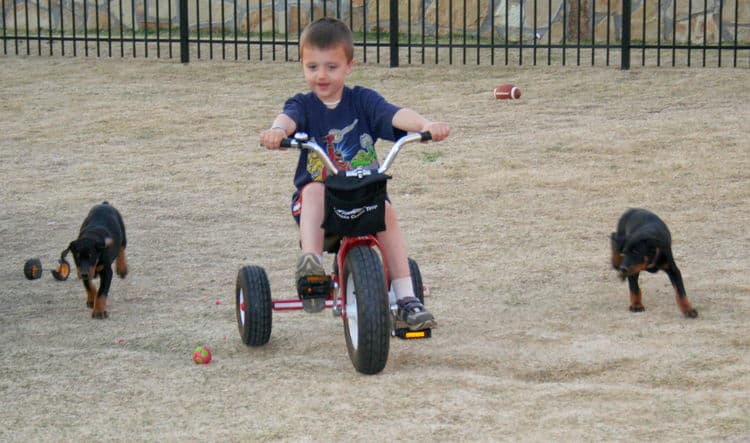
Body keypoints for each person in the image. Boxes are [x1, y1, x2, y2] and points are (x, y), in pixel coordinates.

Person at [259, 17, 450, 329]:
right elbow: (287, 119)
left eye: (331, 67)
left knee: (386, 210)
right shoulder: (303, 105)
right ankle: (312, 267)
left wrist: (425, 125)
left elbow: (395, 114)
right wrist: (277, 131)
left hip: (362, 200)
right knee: (315, 188)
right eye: (312, 67)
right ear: (302, 66)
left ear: (349, 66)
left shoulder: (363, 101)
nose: (321, 75)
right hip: (318, 212)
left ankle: (406, 297)